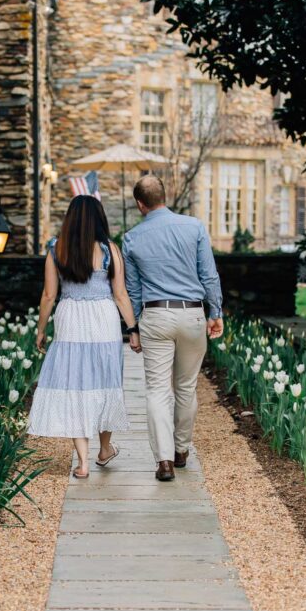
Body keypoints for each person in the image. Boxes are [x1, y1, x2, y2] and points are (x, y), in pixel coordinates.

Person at [27, 195, 140, 478]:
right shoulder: (110, 249)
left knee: (75, 383)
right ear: (99, 218)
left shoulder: (57, 249)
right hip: (103, 319)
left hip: (70, 318)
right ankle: (104, 449)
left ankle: (83, 462)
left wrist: (41, 329)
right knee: (105, 380)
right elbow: (121, 294)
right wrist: (133, 329)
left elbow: (49, 295)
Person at [122, 175, 224, 482]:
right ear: (164, 196)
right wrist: (215, 311)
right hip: (192, 314)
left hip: (155, 316)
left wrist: (133, 328)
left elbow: (133, 289)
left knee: (156, 390)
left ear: (140, 204)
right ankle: (181, 450)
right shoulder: (193, 227)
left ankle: (164, 460)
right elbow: (209, 275)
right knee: (185, 386)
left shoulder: (131, 238)